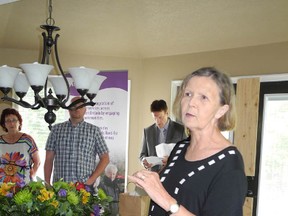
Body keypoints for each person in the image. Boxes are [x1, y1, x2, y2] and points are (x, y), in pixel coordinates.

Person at [129, 67, 247, 215]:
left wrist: (166, 201)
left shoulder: (229, 165)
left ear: (221, 110)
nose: (191, 102)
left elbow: (167, 199)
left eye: (203, 97)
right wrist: (152, 180)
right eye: (188, 94)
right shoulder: (180, 148)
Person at [44, 96, 110, 187]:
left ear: (85, 110)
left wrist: (91, 180)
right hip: (60, 187)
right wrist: (47, 183)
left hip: (84, 188)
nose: (77, 110)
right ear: (69, 110)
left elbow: (105, 158)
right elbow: (49, 159)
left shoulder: (94, 131)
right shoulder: (56, 129)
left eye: (80, 107)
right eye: (74, 107)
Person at [139, 99, 187, 172]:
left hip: (173, 174)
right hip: (154, 176)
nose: (157, 121)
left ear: (166, 113)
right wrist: (144, 162)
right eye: (154, 117)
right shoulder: (147, 131)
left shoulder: (180, 130)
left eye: (160, 117)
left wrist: (172, 159)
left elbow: (186, 153)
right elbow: (142, 155)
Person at [0, 108, 40, 185]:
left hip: (24, 184)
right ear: (4, 124)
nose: (11, 123)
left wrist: (32, 175)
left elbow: (37, 162)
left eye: (14, 120)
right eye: (8, 120)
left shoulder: (27, 140)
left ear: (19, 122)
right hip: (3, 186)